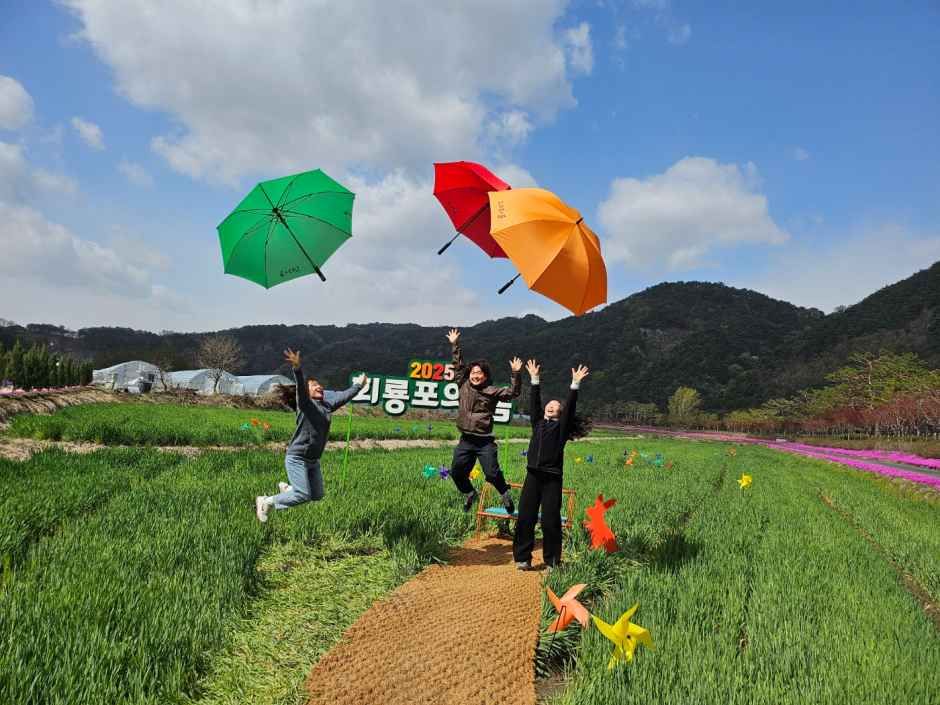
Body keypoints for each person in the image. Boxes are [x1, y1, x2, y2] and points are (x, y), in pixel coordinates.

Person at [255, 348, 366, 522]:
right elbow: (300, 388)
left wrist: (359, 385)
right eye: (314, 385)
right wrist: (297, 369)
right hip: (297, 457)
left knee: (317, 495)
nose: (319, 387)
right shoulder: (305, 405)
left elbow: (344, 396)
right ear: (307, 392)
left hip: (313, 461)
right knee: (303, 495)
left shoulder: (327, 406)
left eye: (319, 385)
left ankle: (290, 491)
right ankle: (266, 501)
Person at [513, 360, 590, 570]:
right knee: (525, 518)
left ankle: (552, 562)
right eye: (550, 404)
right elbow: (534, 404)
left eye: (556, 406)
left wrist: (574, 385)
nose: (551, 406)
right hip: (533, 477)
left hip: (552, 479)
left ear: (559, 413)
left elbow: (570, 409)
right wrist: (535, 380)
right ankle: (522, 558)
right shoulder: (537, 423)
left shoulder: (561, 429)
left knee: (550, 521)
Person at [446, 328, 522, 513]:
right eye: (473, 372)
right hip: (466, 439)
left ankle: (504, 494)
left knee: (491, 474)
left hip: (484, 441)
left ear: (485, 376)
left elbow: (513, 392)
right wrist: (455, 345)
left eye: (479, 373)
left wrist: (515, 374)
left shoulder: (492, 391)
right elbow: (458, 365)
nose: (475, 375)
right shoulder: (462, 384)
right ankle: (470, 492)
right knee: (456, 472)